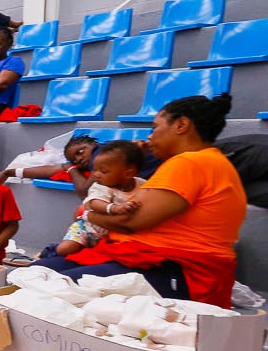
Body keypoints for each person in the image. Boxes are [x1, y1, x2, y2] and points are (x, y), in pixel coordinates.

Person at [31, 95, 245, 307]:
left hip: (178, 270)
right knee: (37, 274)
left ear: (181, 125)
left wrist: (86, 214)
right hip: (145, 257)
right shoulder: (201, 161)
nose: (150, 137)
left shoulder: (191, 162)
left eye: (155, 127)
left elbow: (130, 222)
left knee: (44, 287)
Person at [0, 133, 162, 199]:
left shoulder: (101, 151)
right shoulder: (92, 160)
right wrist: (11, 172)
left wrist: (72, 169)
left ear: (93, 144)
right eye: (75, 159)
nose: (79, 159)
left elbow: (83, 191)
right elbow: (53, 169)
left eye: (81, 151)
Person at [52, 141, 145, 257]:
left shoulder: (142, 185)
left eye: (104, 171)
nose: (96, 175)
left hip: (110, 232)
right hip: (87, 228)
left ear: (128, 173)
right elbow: (95, 203)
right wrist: (114, 208)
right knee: (65, 249)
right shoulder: (101, 186)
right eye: (94, 170)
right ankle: (49, 252)